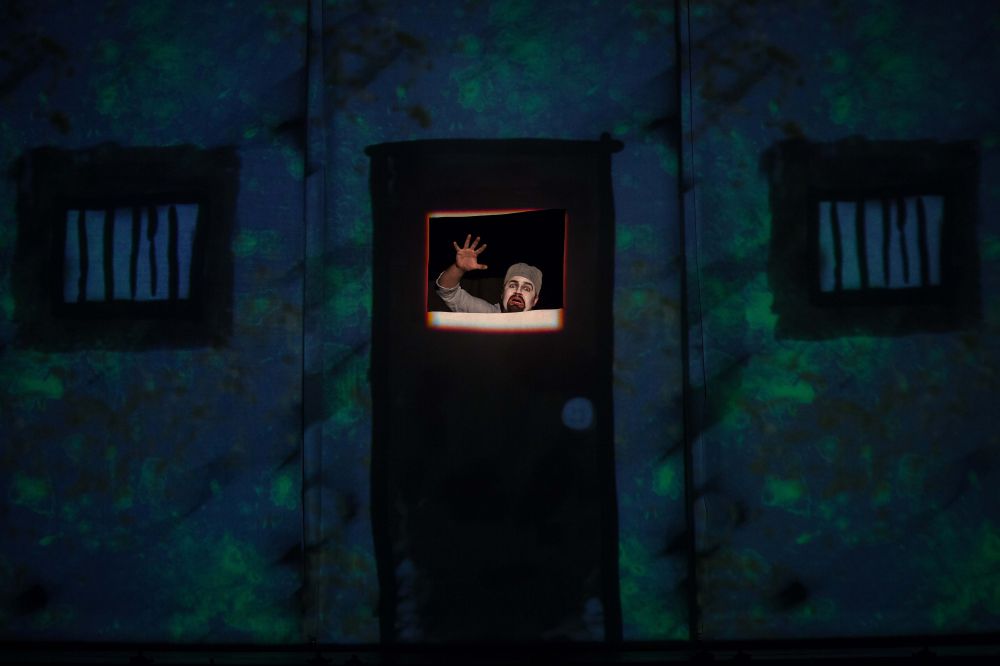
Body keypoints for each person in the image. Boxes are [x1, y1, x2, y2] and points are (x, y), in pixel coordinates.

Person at [435, 235, 542, 313]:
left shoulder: (544, 324)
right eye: (512, 285)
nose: (518, 292)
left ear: (535, 300)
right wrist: (458, 268)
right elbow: (448, 293)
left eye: (526, 288)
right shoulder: (487, 313)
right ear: (502, 293)